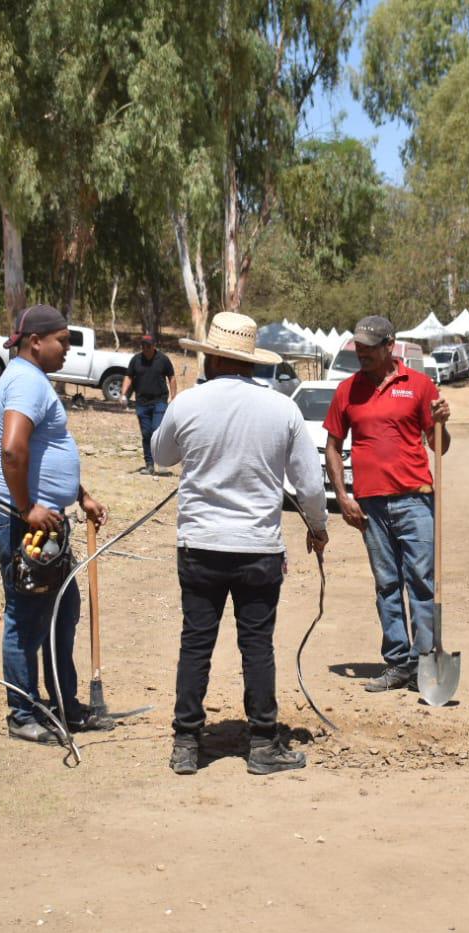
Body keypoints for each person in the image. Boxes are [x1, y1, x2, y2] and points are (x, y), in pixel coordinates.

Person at [152, 311, 330, 776]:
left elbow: (161, 456)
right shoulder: (282, 408)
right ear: (251, 362)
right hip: (257, 548)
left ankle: (186, 744)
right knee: (257, 645)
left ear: (210, 357)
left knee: (196, 643)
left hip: (199, 544)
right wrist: (317, 526)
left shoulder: (188, 403)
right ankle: (264, 743)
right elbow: (309, 485)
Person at [0, 303, 114, 744]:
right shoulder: (25, 381)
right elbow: (14, 451)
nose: (68, 350)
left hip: (45, 523)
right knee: (27, 617)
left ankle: (63, 704)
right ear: (34, 341)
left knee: (61, 612)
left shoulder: (34, 381)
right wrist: (26, 508)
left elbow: (43, 454)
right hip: (25, 526)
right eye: (63, 341)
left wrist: (80, 494)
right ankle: (22, 712)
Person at [324, 315, 451, 693]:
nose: (361, 353)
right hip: (371, 506)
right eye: (358, 347)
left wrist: (443, 423)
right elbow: (333, 444)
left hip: (415, 501)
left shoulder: (420, 386)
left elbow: (439, 446)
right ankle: (397, 663)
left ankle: (425, 662)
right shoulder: (348, 390)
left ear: (389, 346)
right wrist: (343, 496)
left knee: (422, 584)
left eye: (368, 347)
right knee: (386, 585)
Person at [124, 333, 177, 474]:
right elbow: (129, 376)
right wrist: (124, 394)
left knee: (157, 431)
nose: (145, 348)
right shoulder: (136, 360)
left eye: (148, 346)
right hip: (141, 402)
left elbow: (171, 377)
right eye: (143, 345)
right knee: (146, 434)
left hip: (159, 401)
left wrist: (174, 397)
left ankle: (161, 464)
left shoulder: (163, 360)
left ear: (154, 346)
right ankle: (149, 465)